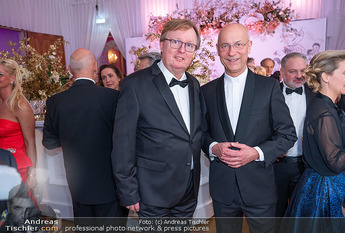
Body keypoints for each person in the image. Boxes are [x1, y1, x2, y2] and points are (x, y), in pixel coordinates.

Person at [201, 23, 297, 233]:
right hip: (222, 191)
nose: (231, 52)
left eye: (238, 44)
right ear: (217, 49)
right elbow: (201, 135)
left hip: (260, 188)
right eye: (225, 46)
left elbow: (288, 135)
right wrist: (214, 147)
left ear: (249, 46)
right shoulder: (206, 92)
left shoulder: (269, 87)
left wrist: (256, 153)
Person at [112, 19, 203, 225]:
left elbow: (196, 132)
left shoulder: (194, 84)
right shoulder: (135, 84)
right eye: (175, 42)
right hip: (153, 191)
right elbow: (122, 143)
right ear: (162, 44)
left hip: (188, 188)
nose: (182, 50)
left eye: (189, 45)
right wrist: (128, 190)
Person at [42, 48, 128, 220]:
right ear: (95, 67)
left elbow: (49, 143)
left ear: (69, 69)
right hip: (110, 184)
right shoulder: (113, 97)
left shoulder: (55, 101)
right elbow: (125, 137)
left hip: (78, 184)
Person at [281, 50, 345, 232]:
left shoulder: (325, 105)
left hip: (325, 185)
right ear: (326, 77)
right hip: (327, 190)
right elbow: (335, 162)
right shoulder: (323, 111)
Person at [274, 53, 315, 219]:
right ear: (282, 72)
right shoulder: (270, 93)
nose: (299, 76)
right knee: (276, 213)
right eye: (293, 71)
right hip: (277, 167)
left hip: (306, 166)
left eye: (303, 70)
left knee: (303, 214)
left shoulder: (316, 94)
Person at [0, 58, 38, 207]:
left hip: (17, 168)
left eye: (0, 74)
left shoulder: (21, 105)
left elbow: (30, 143)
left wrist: (32, 175)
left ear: (13, 78)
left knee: (19, 213)